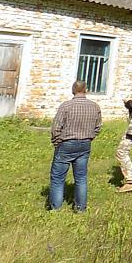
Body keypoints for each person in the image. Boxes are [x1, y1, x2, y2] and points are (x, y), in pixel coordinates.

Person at [49, 80, 102, 212]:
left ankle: (56, 208)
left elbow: (56, 128)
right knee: (81, 177)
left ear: (73, 90)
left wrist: (57, 142)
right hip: (85, 144)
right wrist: (90, 137)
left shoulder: (66, 106)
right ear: (86, 90)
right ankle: (81, 208)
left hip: (66, 143)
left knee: (58, 178)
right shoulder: (95, 106)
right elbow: (98, 127)